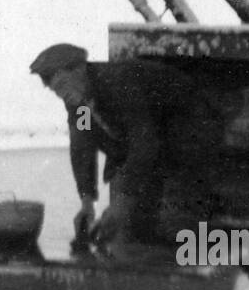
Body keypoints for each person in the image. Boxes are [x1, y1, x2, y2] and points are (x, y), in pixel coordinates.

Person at [29, 42, 193, 253]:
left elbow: (144, 142)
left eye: (62, 85)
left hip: (187, 133)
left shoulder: (118, 82)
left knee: (171, 222)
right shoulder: (80, 104)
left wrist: (123, 199)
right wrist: (87, 200)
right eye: (55, 91)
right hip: (145, 146)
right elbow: (83, 146)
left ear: (79, 69)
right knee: (127, 222)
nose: (62, 95)